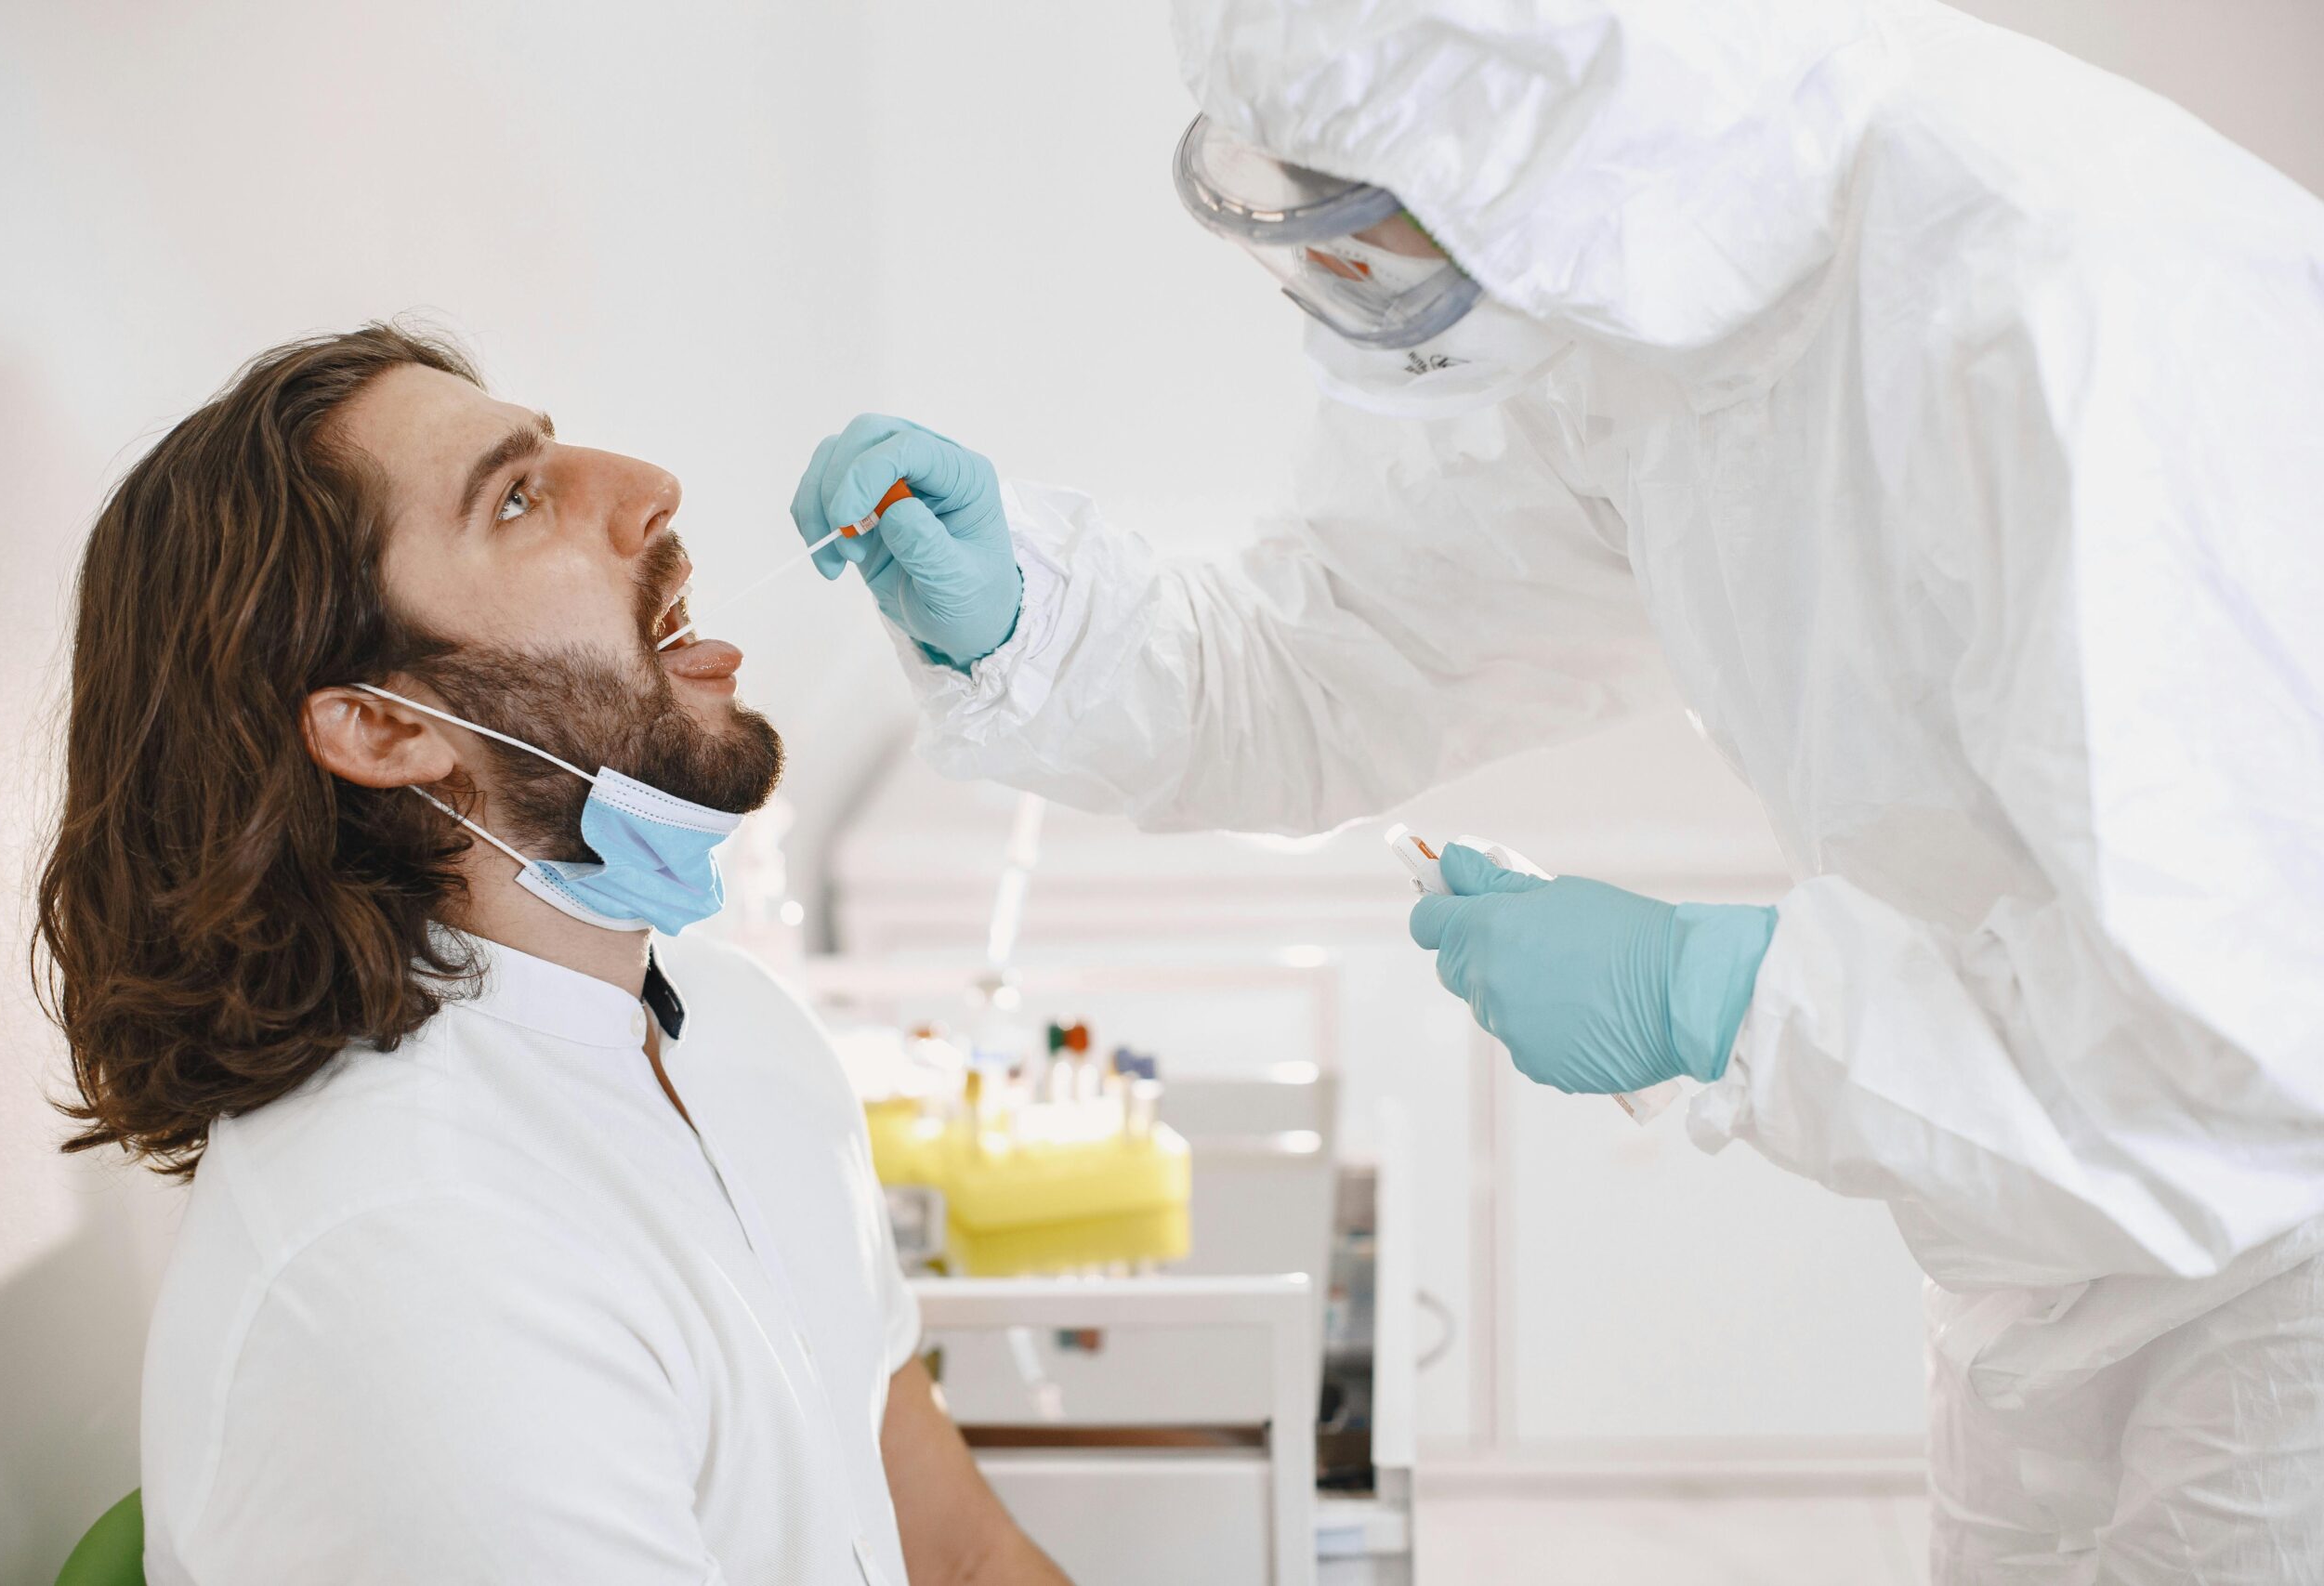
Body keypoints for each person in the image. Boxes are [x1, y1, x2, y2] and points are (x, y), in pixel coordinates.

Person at [789, 1, 2324, 1579]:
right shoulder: (1651, 287)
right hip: (2048, 1253)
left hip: (2282, 1289)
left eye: (1366, 203)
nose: (1349, 273)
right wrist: (1033, 625)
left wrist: (1723, 998)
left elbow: (2234, 1053)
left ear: (1524, 108)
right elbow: (1341, 658)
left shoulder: (2068, 306)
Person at [34, 324, 1070, 1586]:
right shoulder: (422, 1263)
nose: (647, 486)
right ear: (377, 725)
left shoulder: (739, 1033)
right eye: (517, 498)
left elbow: (958, 1558)